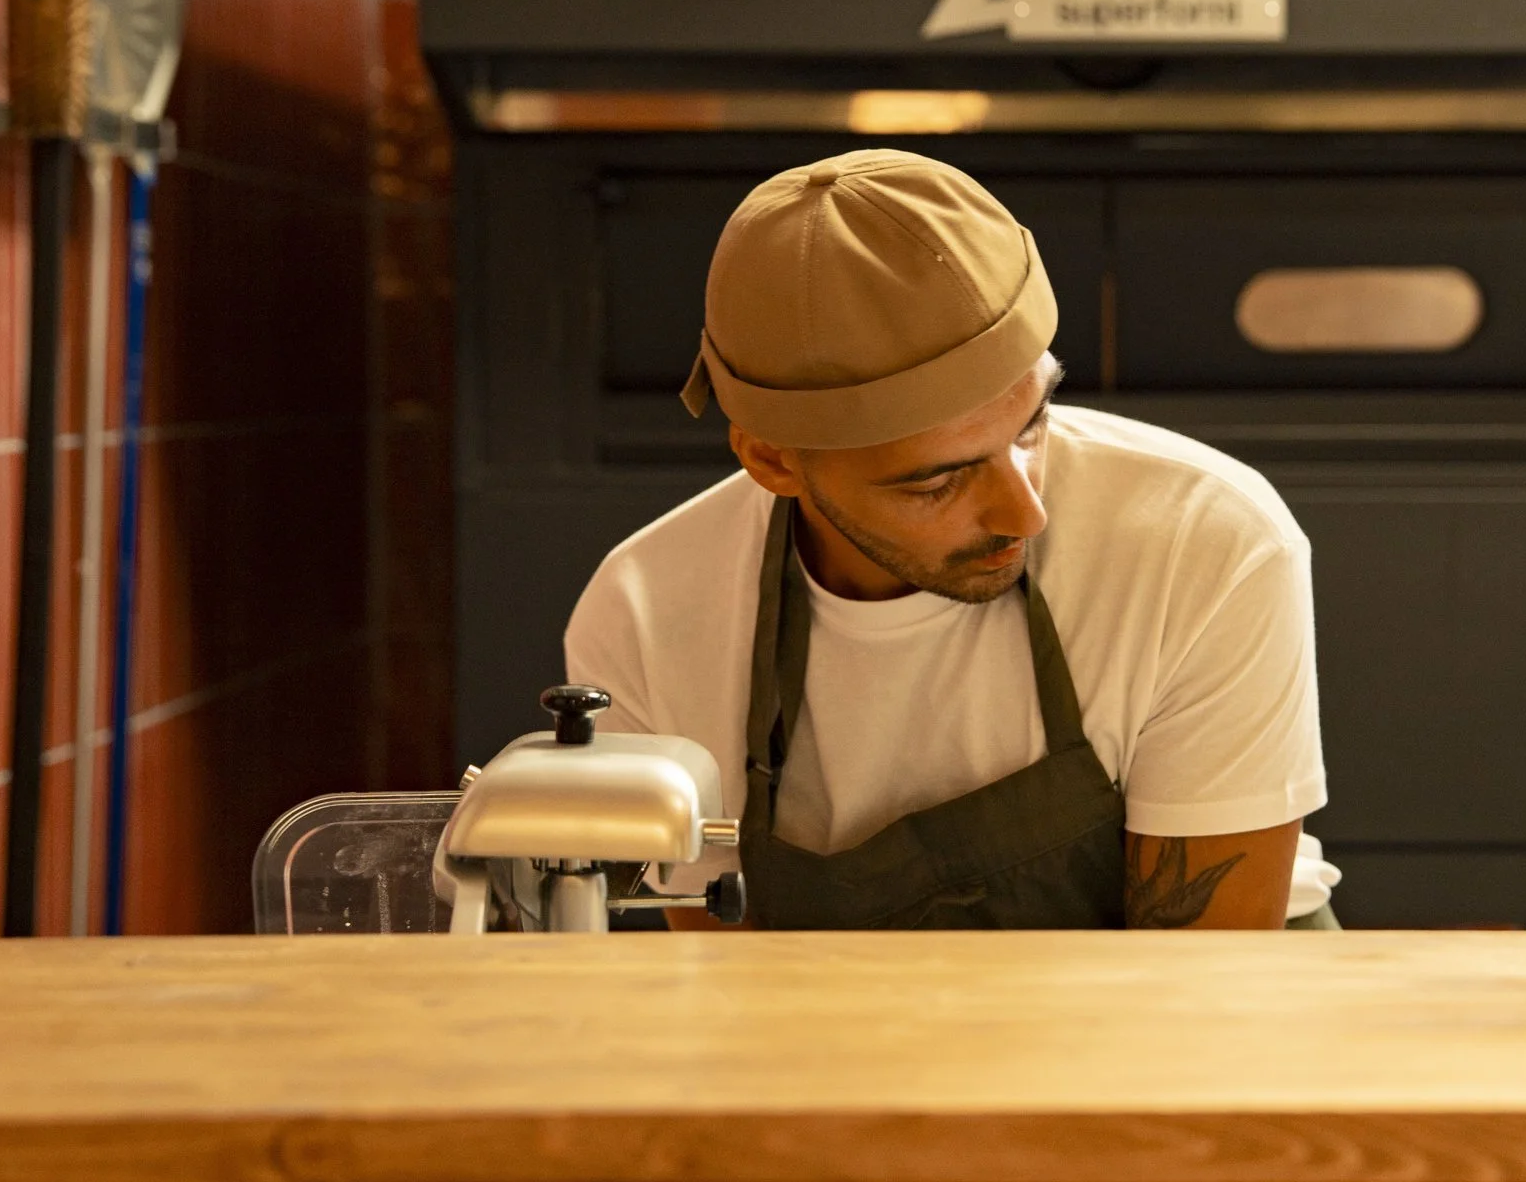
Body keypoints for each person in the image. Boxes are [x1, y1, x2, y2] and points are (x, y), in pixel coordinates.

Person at [565, 149, 1335, 929]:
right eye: (938, 482)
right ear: (772, 458)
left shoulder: (1203, 545)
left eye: (1032, 423)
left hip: (1209, 1024)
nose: (1026, 512)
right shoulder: (648, 616)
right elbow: (722, 988)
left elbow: (1207, 991)